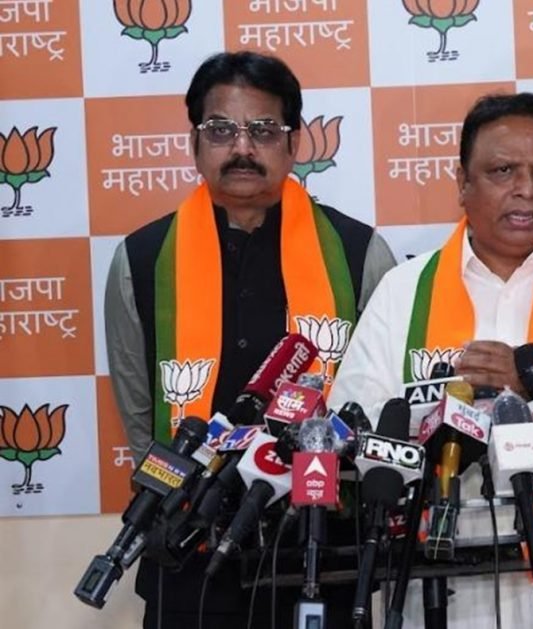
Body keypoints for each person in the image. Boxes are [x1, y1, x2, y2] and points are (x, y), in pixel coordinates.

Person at [327, 92, 533, 628]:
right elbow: (356, 435)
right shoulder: (403, 293)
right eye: (503, 170)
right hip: (439, 583)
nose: (527, 188)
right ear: (462, 182)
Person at [104, 51, 396, 629]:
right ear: (194, 143)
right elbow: (138, 411)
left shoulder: (360, 254)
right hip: (186, 544)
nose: (242, 148)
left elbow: (378, 399)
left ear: (294, 143)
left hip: (321, 544)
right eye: (221, 130)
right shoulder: (140, 260)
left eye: (263, 130)